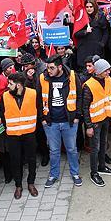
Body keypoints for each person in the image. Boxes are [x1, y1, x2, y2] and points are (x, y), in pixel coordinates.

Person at [37, 54, 82, 188]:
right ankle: (53, 175)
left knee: (72, 149)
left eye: (51, 68)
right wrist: (43, 119)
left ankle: (75, 173)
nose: (48, 71)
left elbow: (79, 96)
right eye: (47, 68)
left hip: (69, 121)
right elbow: (38, 99)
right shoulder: (42, 78)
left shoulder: (72, 76)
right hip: (51, 123)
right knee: (54, 151)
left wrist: (77, 116)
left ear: (60, 67)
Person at [0, 73, 39, 199]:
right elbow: (2, 114)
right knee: (15, 161)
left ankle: (31, 183)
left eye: (10, 84)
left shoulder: (33, 93)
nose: (8, 86)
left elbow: (39, 109)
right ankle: (18, 185)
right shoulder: (5, 96)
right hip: (13, 135)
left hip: (29, 133)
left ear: (19, 85)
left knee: (32, 159)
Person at [81, 58, 111, 186]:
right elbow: (84, 108)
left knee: (103, 144)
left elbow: (109, 99)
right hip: (94, 122)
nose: (108, 72)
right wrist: (88, 126)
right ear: (99, 71)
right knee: (95, 148)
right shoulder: (88, 85)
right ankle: (94, 173)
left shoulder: (108, 80)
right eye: (106, 70)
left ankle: (102, 166)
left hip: (105, 118)